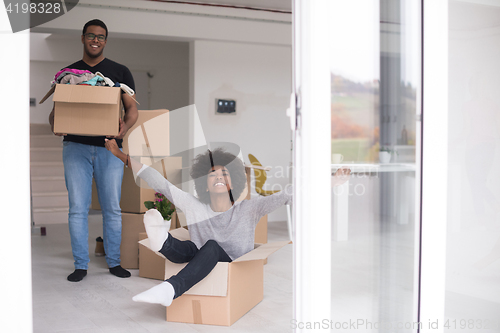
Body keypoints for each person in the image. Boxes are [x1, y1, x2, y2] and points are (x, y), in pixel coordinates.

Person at [105, 138, 351, 306]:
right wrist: (118, 154)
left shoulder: (250, 208)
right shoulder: (195, 205)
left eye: (225, 173)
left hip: (233, 261)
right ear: (205, 182)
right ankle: (161, 240)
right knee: (193, 248)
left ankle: (171, 289)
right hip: (200, 257)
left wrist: (332, 182)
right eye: (213, 174)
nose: (219, 177)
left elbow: (289, 193)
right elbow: (160, 182)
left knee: (209, 246)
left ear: (233, 181)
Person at [49, 19, 139, 282]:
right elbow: (56, 114)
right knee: (78, 208)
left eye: (100, 36)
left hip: (109, 148)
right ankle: (80, 265)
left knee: (112, 207)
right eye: (91, 35)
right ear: (83, 38)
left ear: (105, 41)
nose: (95, 40)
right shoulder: (68, 73)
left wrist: (123, 129)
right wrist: (56, 124)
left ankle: (114, 262)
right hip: (75, 147)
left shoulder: (119, 72)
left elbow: (132, 110)